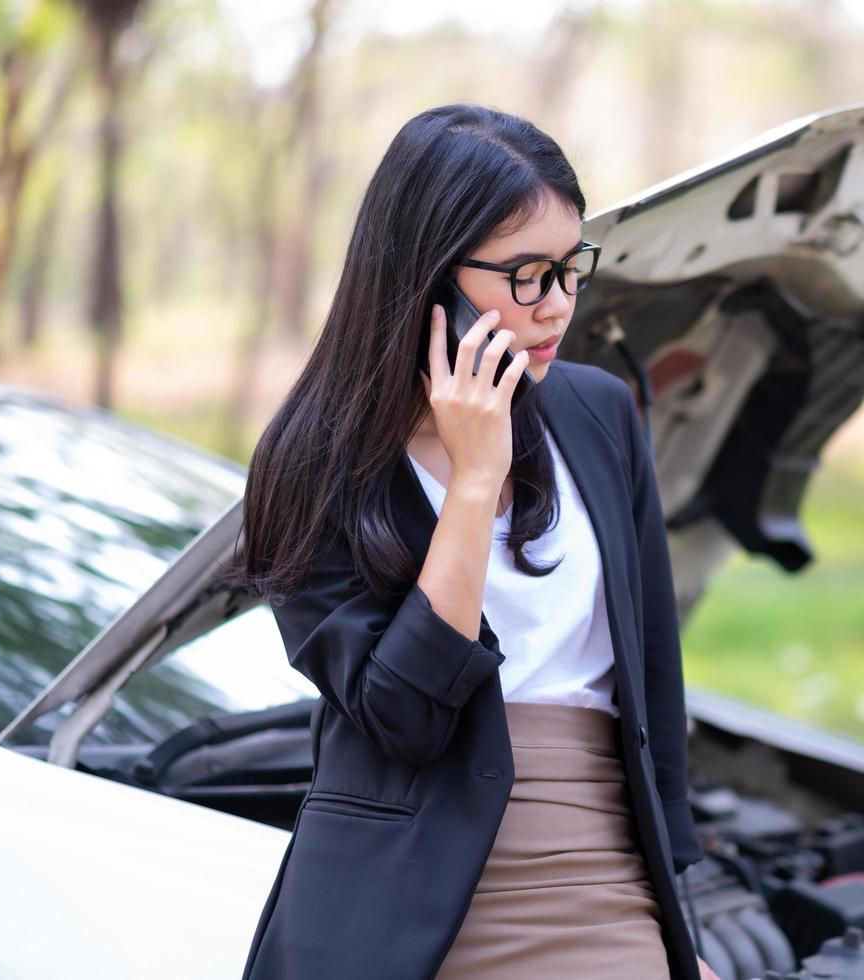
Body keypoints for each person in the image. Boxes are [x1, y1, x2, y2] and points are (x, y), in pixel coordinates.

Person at [228, 103, 722, 980]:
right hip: (399, 894)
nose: (559, 305)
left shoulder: (598, 412)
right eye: (527, 275)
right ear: (427, 275)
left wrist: (684, 928)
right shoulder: (310, 463)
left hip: (599, 867)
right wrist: (472, 481)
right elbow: (403, 721)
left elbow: (651, 670)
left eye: (572, 268)